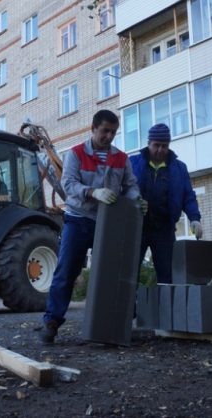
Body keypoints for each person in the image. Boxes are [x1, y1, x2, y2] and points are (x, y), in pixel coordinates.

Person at [39, 109, 143, 344]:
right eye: (105, 131)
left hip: (108, 223)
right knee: (66, 271)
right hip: (78, 219)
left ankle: (112, 323)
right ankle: (52, 322)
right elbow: (68, 184)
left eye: (113, 132)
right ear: (93, 128)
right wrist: (92, 192)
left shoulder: (121, 159)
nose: (109, 136)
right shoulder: (75, 154)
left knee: (112, 273)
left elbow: (130, 185)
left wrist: (136, 198)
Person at [129, 123, 202, 284]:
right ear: (149, 143)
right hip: (136, 228)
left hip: (164, 229)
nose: (161, 150)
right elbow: (123, 190)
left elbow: (188, 196)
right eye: (156, 145)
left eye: (165, 146)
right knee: (129, 271)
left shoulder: (179, 168)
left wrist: (194, 218)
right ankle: (128, 309)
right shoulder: (132, 163)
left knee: (167, 274)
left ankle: (167, 308)